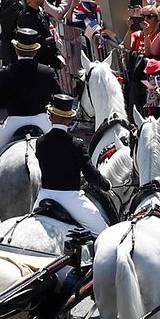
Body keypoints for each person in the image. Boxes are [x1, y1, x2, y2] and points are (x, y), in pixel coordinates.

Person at [0, 32, 60, 219]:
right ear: (36, 50)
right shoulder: (47, 72)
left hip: (14, 121)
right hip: (41, 121)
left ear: (16, 49)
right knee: (64, 151)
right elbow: (57, 98)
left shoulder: (6, 72)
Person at [33, 95, 111, 236]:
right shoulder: (77, 144)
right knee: (104, 233)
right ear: (70, 120)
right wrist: (106, 185)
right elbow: (90, 174)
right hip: (71, 199)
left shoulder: (40, 142)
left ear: (50, 117)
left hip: (43, 197)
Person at [10, 0, 64, 70]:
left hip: (47, 67)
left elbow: (49, 38)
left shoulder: (39, 13)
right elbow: (40, 45)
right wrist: (56, 62)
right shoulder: (27, 18)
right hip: (35, 69)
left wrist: (57, 54)